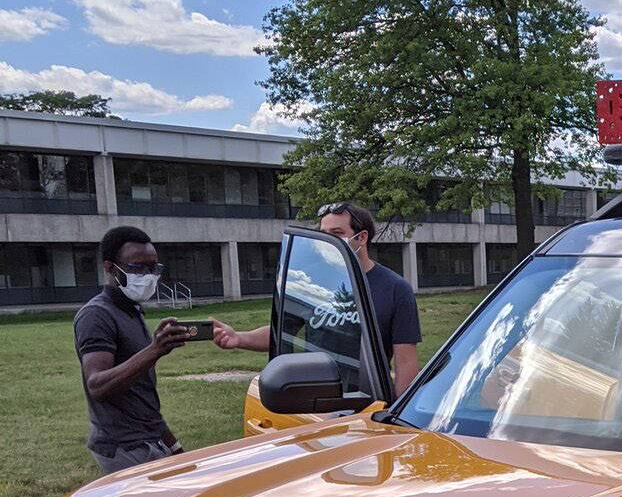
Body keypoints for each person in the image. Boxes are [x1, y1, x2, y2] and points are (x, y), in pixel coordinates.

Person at [213, 201, 423, 394]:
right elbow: (282, 332)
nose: (328, 241)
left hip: (367, 400)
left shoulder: (396, 289)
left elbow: (406, 363)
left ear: (362, 237)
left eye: (337, 233)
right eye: (324, 234)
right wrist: (238, 338)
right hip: (314, 397)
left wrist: (395, 413)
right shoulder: (314, 281)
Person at [74, 226, 187, 474]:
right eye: (137, 267)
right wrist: (155, 350)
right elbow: (97, 385)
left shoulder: (132, 311)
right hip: (125, 446)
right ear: (110, 267)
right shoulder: (96, 315)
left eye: (153, 267)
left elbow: (141, 394)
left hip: (150, 439)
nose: (148, 275)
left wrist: (174, 446)